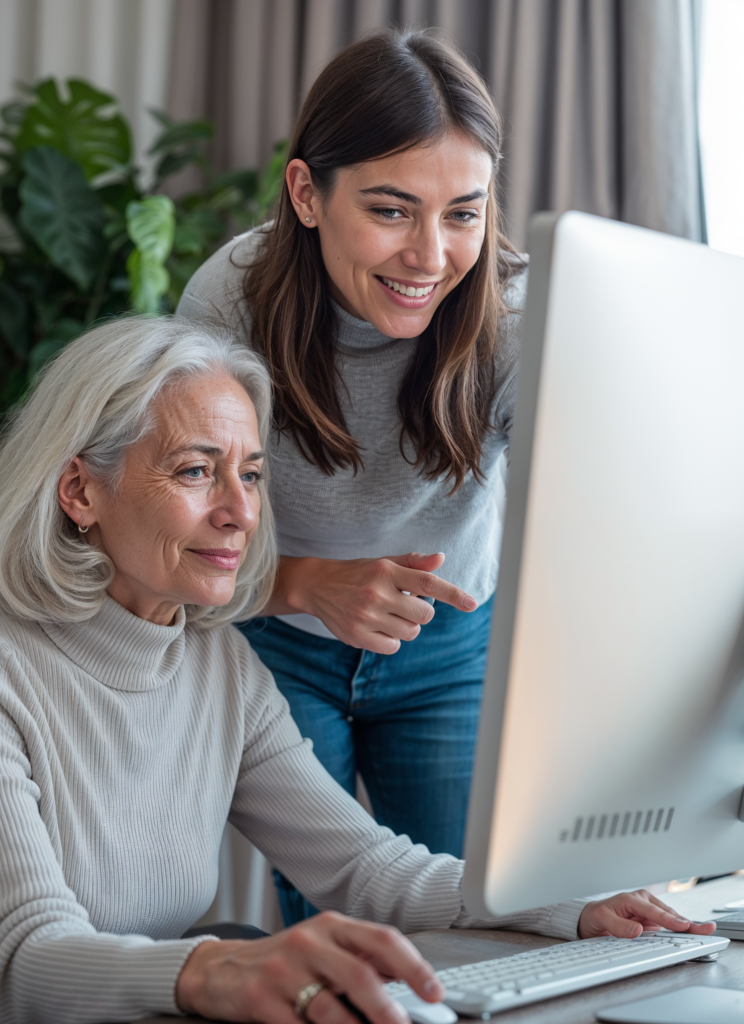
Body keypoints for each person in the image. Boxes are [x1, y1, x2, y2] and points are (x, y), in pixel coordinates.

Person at [0, 316, 713, 1024]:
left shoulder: (220, 666)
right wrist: (224, 967)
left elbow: (373, 872)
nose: (238, 512)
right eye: (194, 470)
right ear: (81, 492)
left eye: (249, 475)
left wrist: (572, 907)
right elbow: (26, 965)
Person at [176, 28, 525, 921]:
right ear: (306, 192)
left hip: (448, 645)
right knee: (329, 912)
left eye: (463, 213)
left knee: (463, 906)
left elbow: (596, 508)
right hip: (277, 630)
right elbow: (181, 530)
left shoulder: (515, 319)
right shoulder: (229, 302)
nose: (431, 257)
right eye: (391, 209)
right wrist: (308, 585)